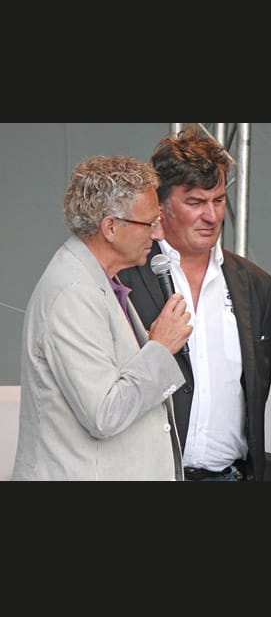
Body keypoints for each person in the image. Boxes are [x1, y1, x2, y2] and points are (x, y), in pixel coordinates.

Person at [12, 156, 193, 481]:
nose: (158, 233)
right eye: (150, 223)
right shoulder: (73, 293)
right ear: (111, 227)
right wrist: (160, 348)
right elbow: (104, 414)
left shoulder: (101, 283)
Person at [119, 126, 271, 481]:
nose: (212, 216)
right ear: (160, 205)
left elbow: (255, 391)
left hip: (231, 475)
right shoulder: (126, 277)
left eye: (218, 200)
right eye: (195, 202)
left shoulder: (255, 284)